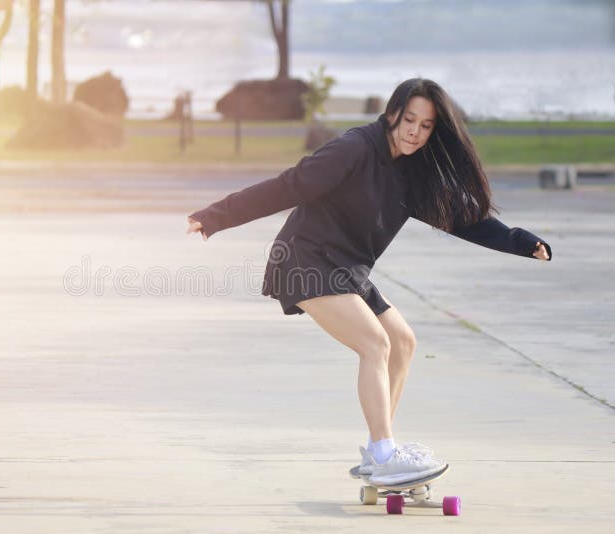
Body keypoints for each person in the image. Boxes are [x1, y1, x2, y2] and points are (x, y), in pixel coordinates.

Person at [186, 78, 552, 486]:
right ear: (392, 112)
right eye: (408, 119)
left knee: (403, 342)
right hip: (305, 259)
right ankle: (384, 452)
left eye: (426, 125)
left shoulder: (413, 173)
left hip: (347, 269)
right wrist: (217, 216)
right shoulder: (354, 148)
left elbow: (462, 218)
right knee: (374, 343)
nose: (414, 131)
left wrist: (520, 241)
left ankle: (380, 449)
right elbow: (291, 185)